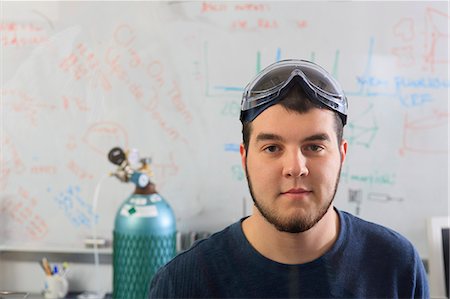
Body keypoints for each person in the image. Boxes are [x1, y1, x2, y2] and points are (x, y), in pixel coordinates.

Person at [148, 59, 429, 298]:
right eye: (272, 148)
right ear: (245, 157)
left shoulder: (395, 265)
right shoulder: (184, 283)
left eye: (314, 147)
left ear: (341, 155)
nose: (295, 168)